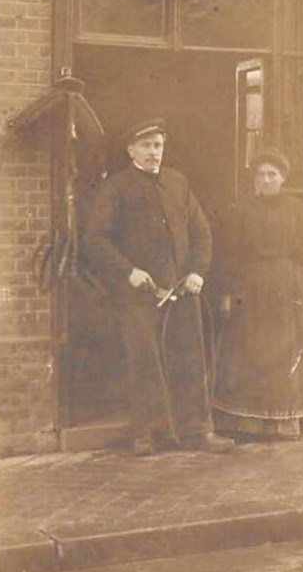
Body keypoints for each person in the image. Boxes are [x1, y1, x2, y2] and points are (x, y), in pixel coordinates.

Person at [84, 119, 232, 456]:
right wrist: (129, 271)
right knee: (144, 363)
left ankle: (198, 430)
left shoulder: (178, 183)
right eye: (147, 145)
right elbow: (94, 240)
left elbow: (202, 232)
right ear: (131, 150)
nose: (154, 152)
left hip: (181, 290)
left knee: (191, 359)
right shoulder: (116, 189)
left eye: (158, 145)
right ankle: (146, 434)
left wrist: (197, 272)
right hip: (139, 294)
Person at [214, 148, 303, 440]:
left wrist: (297, 247)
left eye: (272, 174)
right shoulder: (242, 209)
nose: (266, 179)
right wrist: (227, 292)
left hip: (285, 285)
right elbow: (230, 253)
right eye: (261, 175)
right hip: (250, 286)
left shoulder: (298, 209)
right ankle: (249, 421)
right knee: (250, 350)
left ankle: (282, 421)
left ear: (283, 177)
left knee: (284, 351)